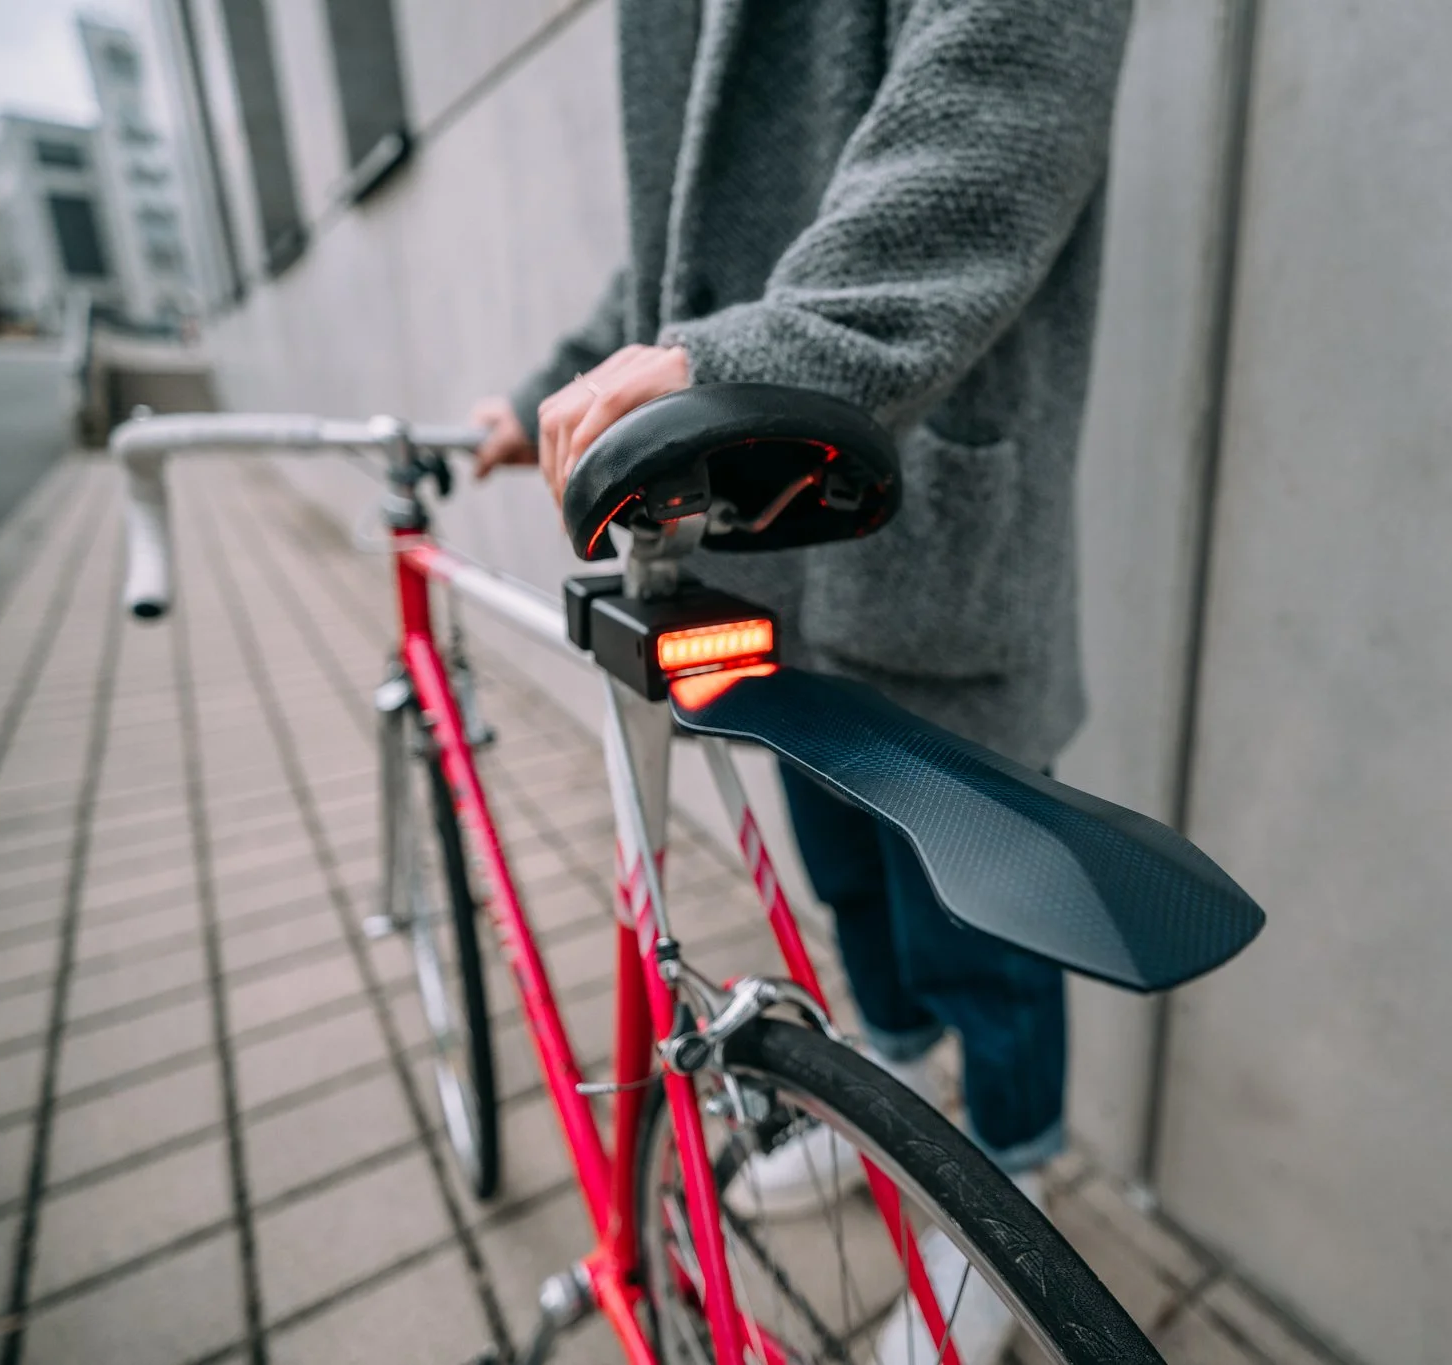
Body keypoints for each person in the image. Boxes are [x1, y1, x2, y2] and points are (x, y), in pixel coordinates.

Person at [471, 3, 1130, 1357]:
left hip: (919, 509)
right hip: (779, 540)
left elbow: (995, 119)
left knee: (983, 930)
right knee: (843, 867)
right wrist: (557, 383)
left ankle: (1005, 1204)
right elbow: (679, 236)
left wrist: (751, 364)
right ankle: (881, 1090)